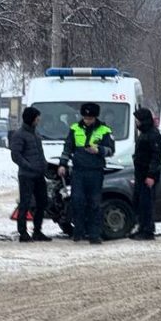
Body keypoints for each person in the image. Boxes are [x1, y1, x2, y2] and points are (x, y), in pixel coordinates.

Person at [58, 102, 115, 245]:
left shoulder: (104, 130)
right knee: (77, 201)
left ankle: (94, 234)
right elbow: (67, 148)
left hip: (96, 172)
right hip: (78, 171)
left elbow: (110, 150)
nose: (87, 120)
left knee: (95, 204)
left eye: (90, 118)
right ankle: (78, 232)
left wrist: (99, 150)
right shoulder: (74, 128)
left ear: (95, 117)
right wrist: (63, 164)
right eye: (85, 117)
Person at [9, 106, 51, 242]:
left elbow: (40, 152)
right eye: (37, 118)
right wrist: (30, 166)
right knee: (25, 203)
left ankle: (37, 231)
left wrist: (44, 165)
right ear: (31, 119)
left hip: (39, 174)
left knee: (42, 202)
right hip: (26, 175)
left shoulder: (35, 134)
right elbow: (16, 155)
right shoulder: (19, 135)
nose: (39, 120)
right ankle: (23, 232)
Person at [130, 107, 161, 241]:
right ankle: (142, 227)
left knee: (147, 204)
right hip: (140, 174)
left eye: (137, 120)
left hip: (148, 176)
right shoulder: (144, 133)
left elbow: (156, 157)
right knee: (140, 203)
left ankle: (148, 231)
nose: (136, 123)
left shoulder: (153, 134)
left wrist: (151, 175)